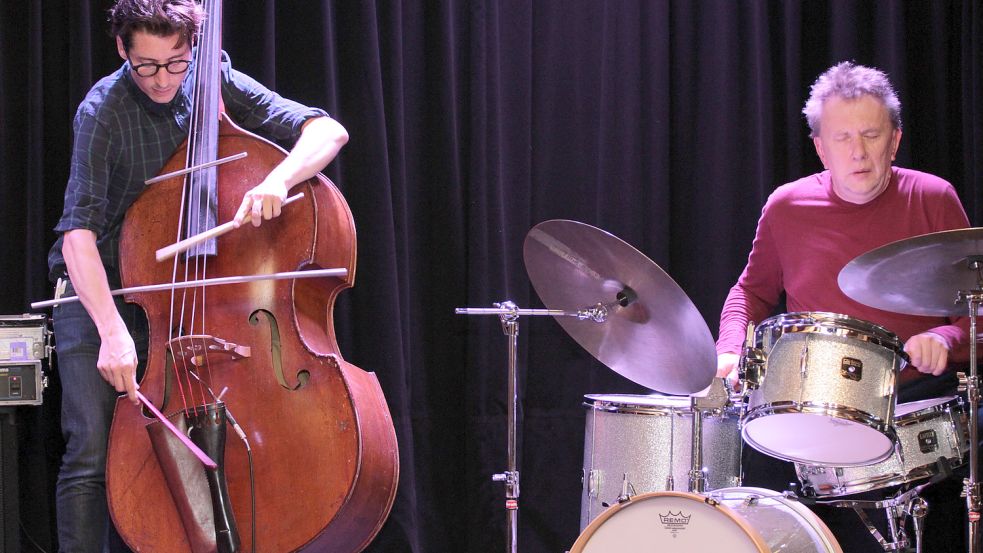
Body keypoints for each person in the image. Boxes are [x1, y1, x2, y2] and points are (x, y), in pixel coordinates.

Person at [46, 1, 349, 551]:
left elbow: (326, 132)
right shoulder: (103, 110)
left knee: (195, 443)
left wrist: (280, 180)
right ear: (122, 50)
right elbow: (78, 235)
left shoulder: (211, 77)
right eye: (147, 66)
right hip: (103, 292)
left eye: (177, 63)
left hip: (181, 299)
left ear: (193, 51)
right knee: (91, 452)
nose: (163, 80)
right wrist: (112, 333)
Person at [716, 61, 972, 551]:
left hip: (915, 407)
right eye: (842, 137)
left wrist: (947, 338)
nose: (858, 152)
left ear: (894, 140)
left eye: (872, 135)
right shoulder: (786, 206)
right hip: (809, 412)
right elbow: (751, 291)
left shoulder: (934, 199)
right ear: (819, 146)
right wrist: (730, 347)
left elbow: (975, 311)